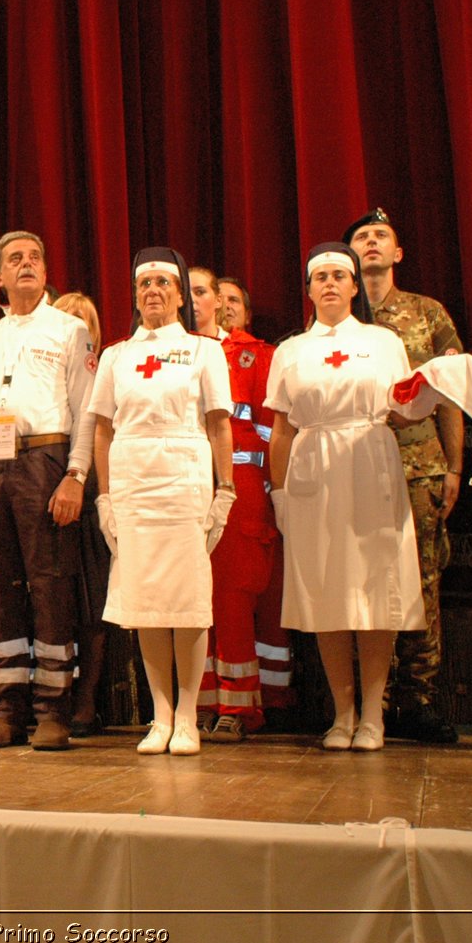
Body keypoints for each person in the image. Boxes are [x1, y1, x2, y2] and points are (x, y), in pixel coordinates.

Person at [267, 243, 424, 752]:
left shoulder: (383, 342)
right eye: (321, 277)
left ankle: (373, 715)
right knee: (327, 592)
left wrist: (431, 393)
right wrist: (281, 493)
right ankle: (342, 713)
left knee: (374, 591)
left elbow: (404, 410)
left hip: (371, 464)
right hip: (314, 471)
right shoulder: (289, 351)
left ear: (355, 286)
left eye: (340, 275)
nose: (330, 284)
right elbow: (281, 431)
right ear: (309, 289)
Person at [0, 231, 96, 751]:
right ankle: (5, 710)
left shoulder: (71, 330)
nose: (28, 264)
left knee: (51, 582)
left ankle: (54, 711)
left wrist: (75, 476)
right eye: (16, 259)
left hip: (45, 461)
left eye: (36, 256)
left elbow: (87, 412)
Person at [90, 249, 234, 756]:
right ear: (135, 294)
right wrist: (104, 496)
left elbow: (219, 422)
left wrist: (227, 488)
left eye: (163, 283)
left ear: (179, 295)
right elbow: (102, 430)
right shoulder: (115, 356)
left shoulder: (203, 351)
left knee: (187, 601)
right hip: (133, 481)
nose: (153, 290)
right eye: (144, 283)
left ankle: (190, 716)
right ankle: (160, 715)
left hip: (185, 478)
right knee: (146, 601)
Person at [343, 207, 465, 744]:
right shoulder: (333, 321)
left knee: (422, 581)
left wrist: (456, 466)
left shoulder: (426, 314)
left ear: (397, 253)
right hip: (352, 468)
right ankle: (372, 700)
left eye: (380, 236)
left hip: (418, 466)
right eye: (361, 238)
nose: (371, 243)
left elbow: (450, 395)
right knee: (360, 580)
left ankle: (418, 701)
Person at [189, 267, 277, 742]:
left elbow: (270, 428)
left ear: (220, 302)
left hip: (241, 493)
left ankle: (238, 704)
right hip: (182, 488)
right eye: (190, 292)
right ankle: (198, 701)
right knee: (191, 598)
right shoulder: (164, 355)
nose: (196, 300)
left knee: (233, 596)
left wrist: (267, 489)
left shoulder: (252, 355)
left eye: (203, 291)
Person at [53, 291, 111, 737]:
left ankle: (87, 699)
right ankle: (51, 697)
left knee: (91, 601)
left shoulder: (108, 366)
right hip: (44, 481)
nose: (72, 327)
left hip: (91, 489)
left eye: (81, 321)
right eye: (63, 319)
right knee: (51, 600)